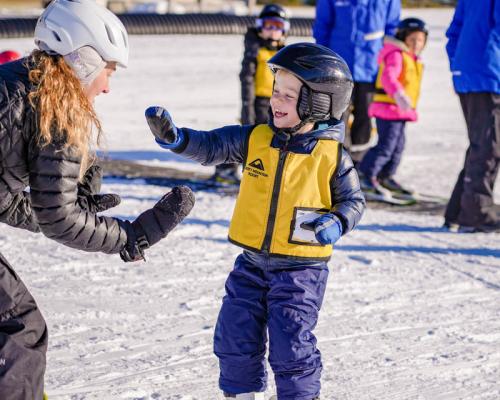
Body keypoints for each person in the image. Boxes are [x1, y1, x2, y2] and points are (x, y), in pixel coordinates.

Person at [146, 42, 365, 400]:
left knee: (290, 342)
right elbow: (212, 145)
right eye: (276, 91)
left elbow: (354, 201)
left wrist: (339, 221)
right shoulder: (256, 139)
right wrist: (178, 139)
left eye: (288, 95)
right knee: (233, 332)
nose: (275, 101)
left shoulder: (332, 157)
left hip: (300, 271)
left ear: (320, 102)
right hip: (250, 264)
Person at [0, 1, 194, 398]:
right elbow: (59, 219)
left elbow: (8, 199)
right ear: (83, 59)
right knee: (20, 326)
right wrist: (130, 236)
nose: (107, 85)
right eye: (108, 69)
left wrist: (71, 211)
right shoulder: (57, 108)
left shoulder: (14, 81)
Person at [313, 0, 400, 165]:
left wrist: (389, 62)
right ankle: (335, 162)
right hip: (338, 69)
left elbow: (392, 30)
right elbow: (322, 27)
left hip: (371, 68)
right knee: (336, 116)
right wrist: (322, 60)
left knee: (365, 116)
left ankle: (358, 162)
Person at [212, 4, 289, 186]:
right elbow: (247, 79)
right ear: (260, 27)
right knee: (249, 136)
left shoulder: (283, 53)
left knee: (271, 138)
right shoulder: (255, 51)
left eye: (276, 27)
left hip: (276, 103)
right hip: (257, 102)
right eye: (268, 26)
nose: (272, 32)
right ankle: (225, 169)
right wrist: (248, 105)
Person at [443, 0, 500, 233]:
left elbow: (454, 32)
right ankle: (476, 213)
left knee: (481, 144)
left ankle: (459, 210)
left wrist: (459, 65)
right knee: (488, 147)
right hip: (488, 75)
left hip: (470, 73)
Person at [359, 18, 428, 196]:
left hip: (400, 111)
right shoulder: (396, 55)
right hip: (387, 108)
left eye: (420, 40)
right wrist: (398, 95)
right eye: (412, 39)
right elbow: (388, 77)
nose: (416, 44)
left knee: (398, 146)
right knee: (386, 146)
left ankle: (385, 176)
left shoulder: (413, 59)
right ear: (403, 38)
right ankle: (365, 175)